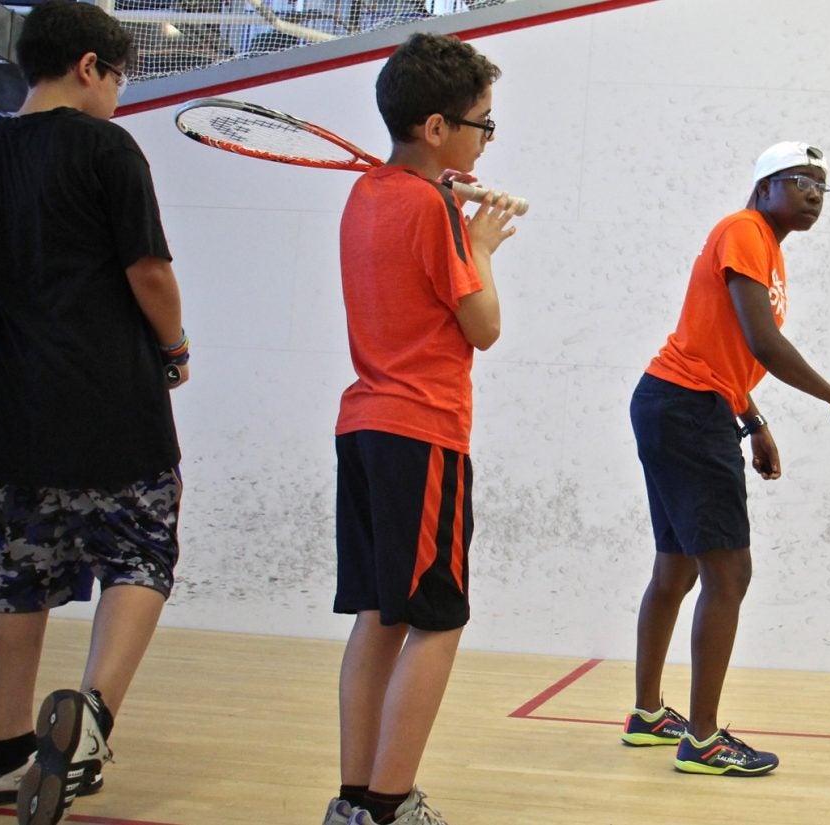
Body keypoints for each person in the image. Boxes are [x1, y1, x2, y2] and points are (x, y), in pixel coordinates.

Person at [0, 3, 190, 824]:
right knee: (140, 552)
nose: (119, 93)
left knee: (18, 572)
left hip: (21, 407)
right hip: (115, 399)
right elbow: (149, 272)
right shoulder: (105, 147)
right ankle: (89, 721)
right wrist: (178, 346)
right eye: (119, 76)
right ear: (90, 66)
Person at [620, 142, 830, 776]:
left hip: (680, 403)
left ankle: (648, 715)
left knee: (677, 569)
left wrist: (754, 421)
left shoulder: (766, 245)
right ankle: (703, 741)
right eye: (800, 182)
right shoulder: (744, 230)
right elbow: (764, 338)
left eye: (823, 186)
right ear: (764, 186)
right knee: (728, 574)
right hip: (684, 409)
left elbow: (730, 349)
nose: (815, 194)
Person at [322, 32, 518, 825]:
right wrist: (481, 246)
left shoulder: (369, 195)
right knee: (439, 619)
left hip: (364, 427)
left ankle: (354, 801)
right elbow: (483, 325)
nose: (487, 138)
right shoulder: (434, 210)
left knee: (382, 616)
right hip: (423, 431)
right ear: (436, 127)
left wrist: (450, 207)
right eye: (483, 123)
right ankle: (391, 805)